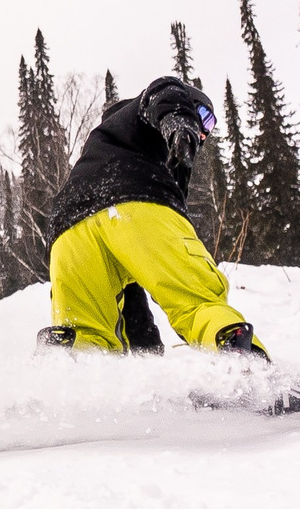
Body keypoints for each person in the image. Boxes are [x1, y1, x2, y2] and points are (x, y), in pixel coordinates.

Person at [39, 74, 267, 358]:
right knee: (197, 302)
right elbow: (165, 88)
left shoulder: (101, 150)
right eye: (205, 118)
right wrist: (180, 120)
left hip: (69, 232)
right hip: (134, 203)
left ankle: (64, 374)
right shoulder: (151, 114)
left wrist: (148, 355)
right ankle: (245, 363)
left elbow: (132, 295)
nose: (205, 133)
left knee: (84, 331)